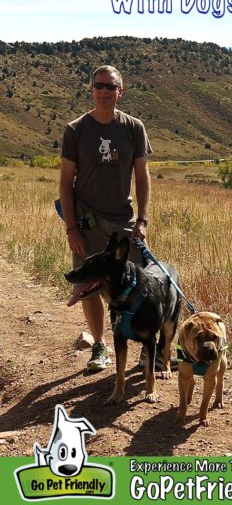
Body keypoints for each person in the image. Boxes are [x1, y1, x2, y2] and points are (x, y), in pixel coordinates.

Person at [59, 64, 151, 371]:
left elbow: (142, 176)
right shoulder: (76, 129)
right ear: (91, 89)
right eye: (98, 85)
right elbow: (65, 183)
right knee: (89, 285)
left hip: (123, 220)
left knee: (141, 282)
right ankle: (99, 347)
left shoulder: (134, 128)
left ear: (120, 92)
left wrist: (142, 220)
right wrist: (72, 228)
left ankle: (146, 348)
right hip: (88, 222)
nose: (103, 91)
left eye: (110, 87)